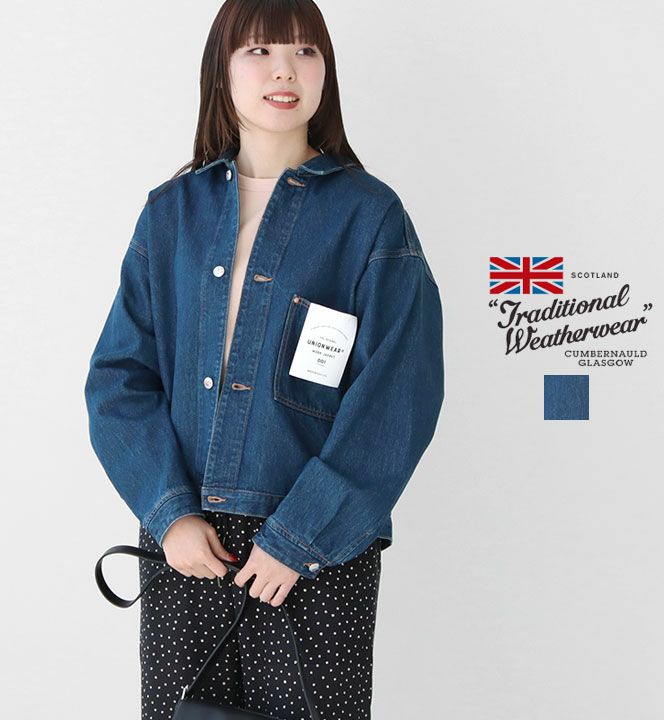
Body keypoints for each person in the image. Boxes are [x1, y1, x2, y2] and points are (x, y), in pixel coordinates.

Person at [84, 1, 444, 718]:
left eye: (306, 52)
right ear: (221, 70)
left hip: (315, 551)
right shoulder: (172, 213)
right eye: (260, 51)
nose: (285, 70)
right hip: (188, 546)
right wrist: (169, 515)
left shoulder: (370, 216)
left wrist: (301, 535)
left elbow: (398, 393)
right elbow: (120, 380)